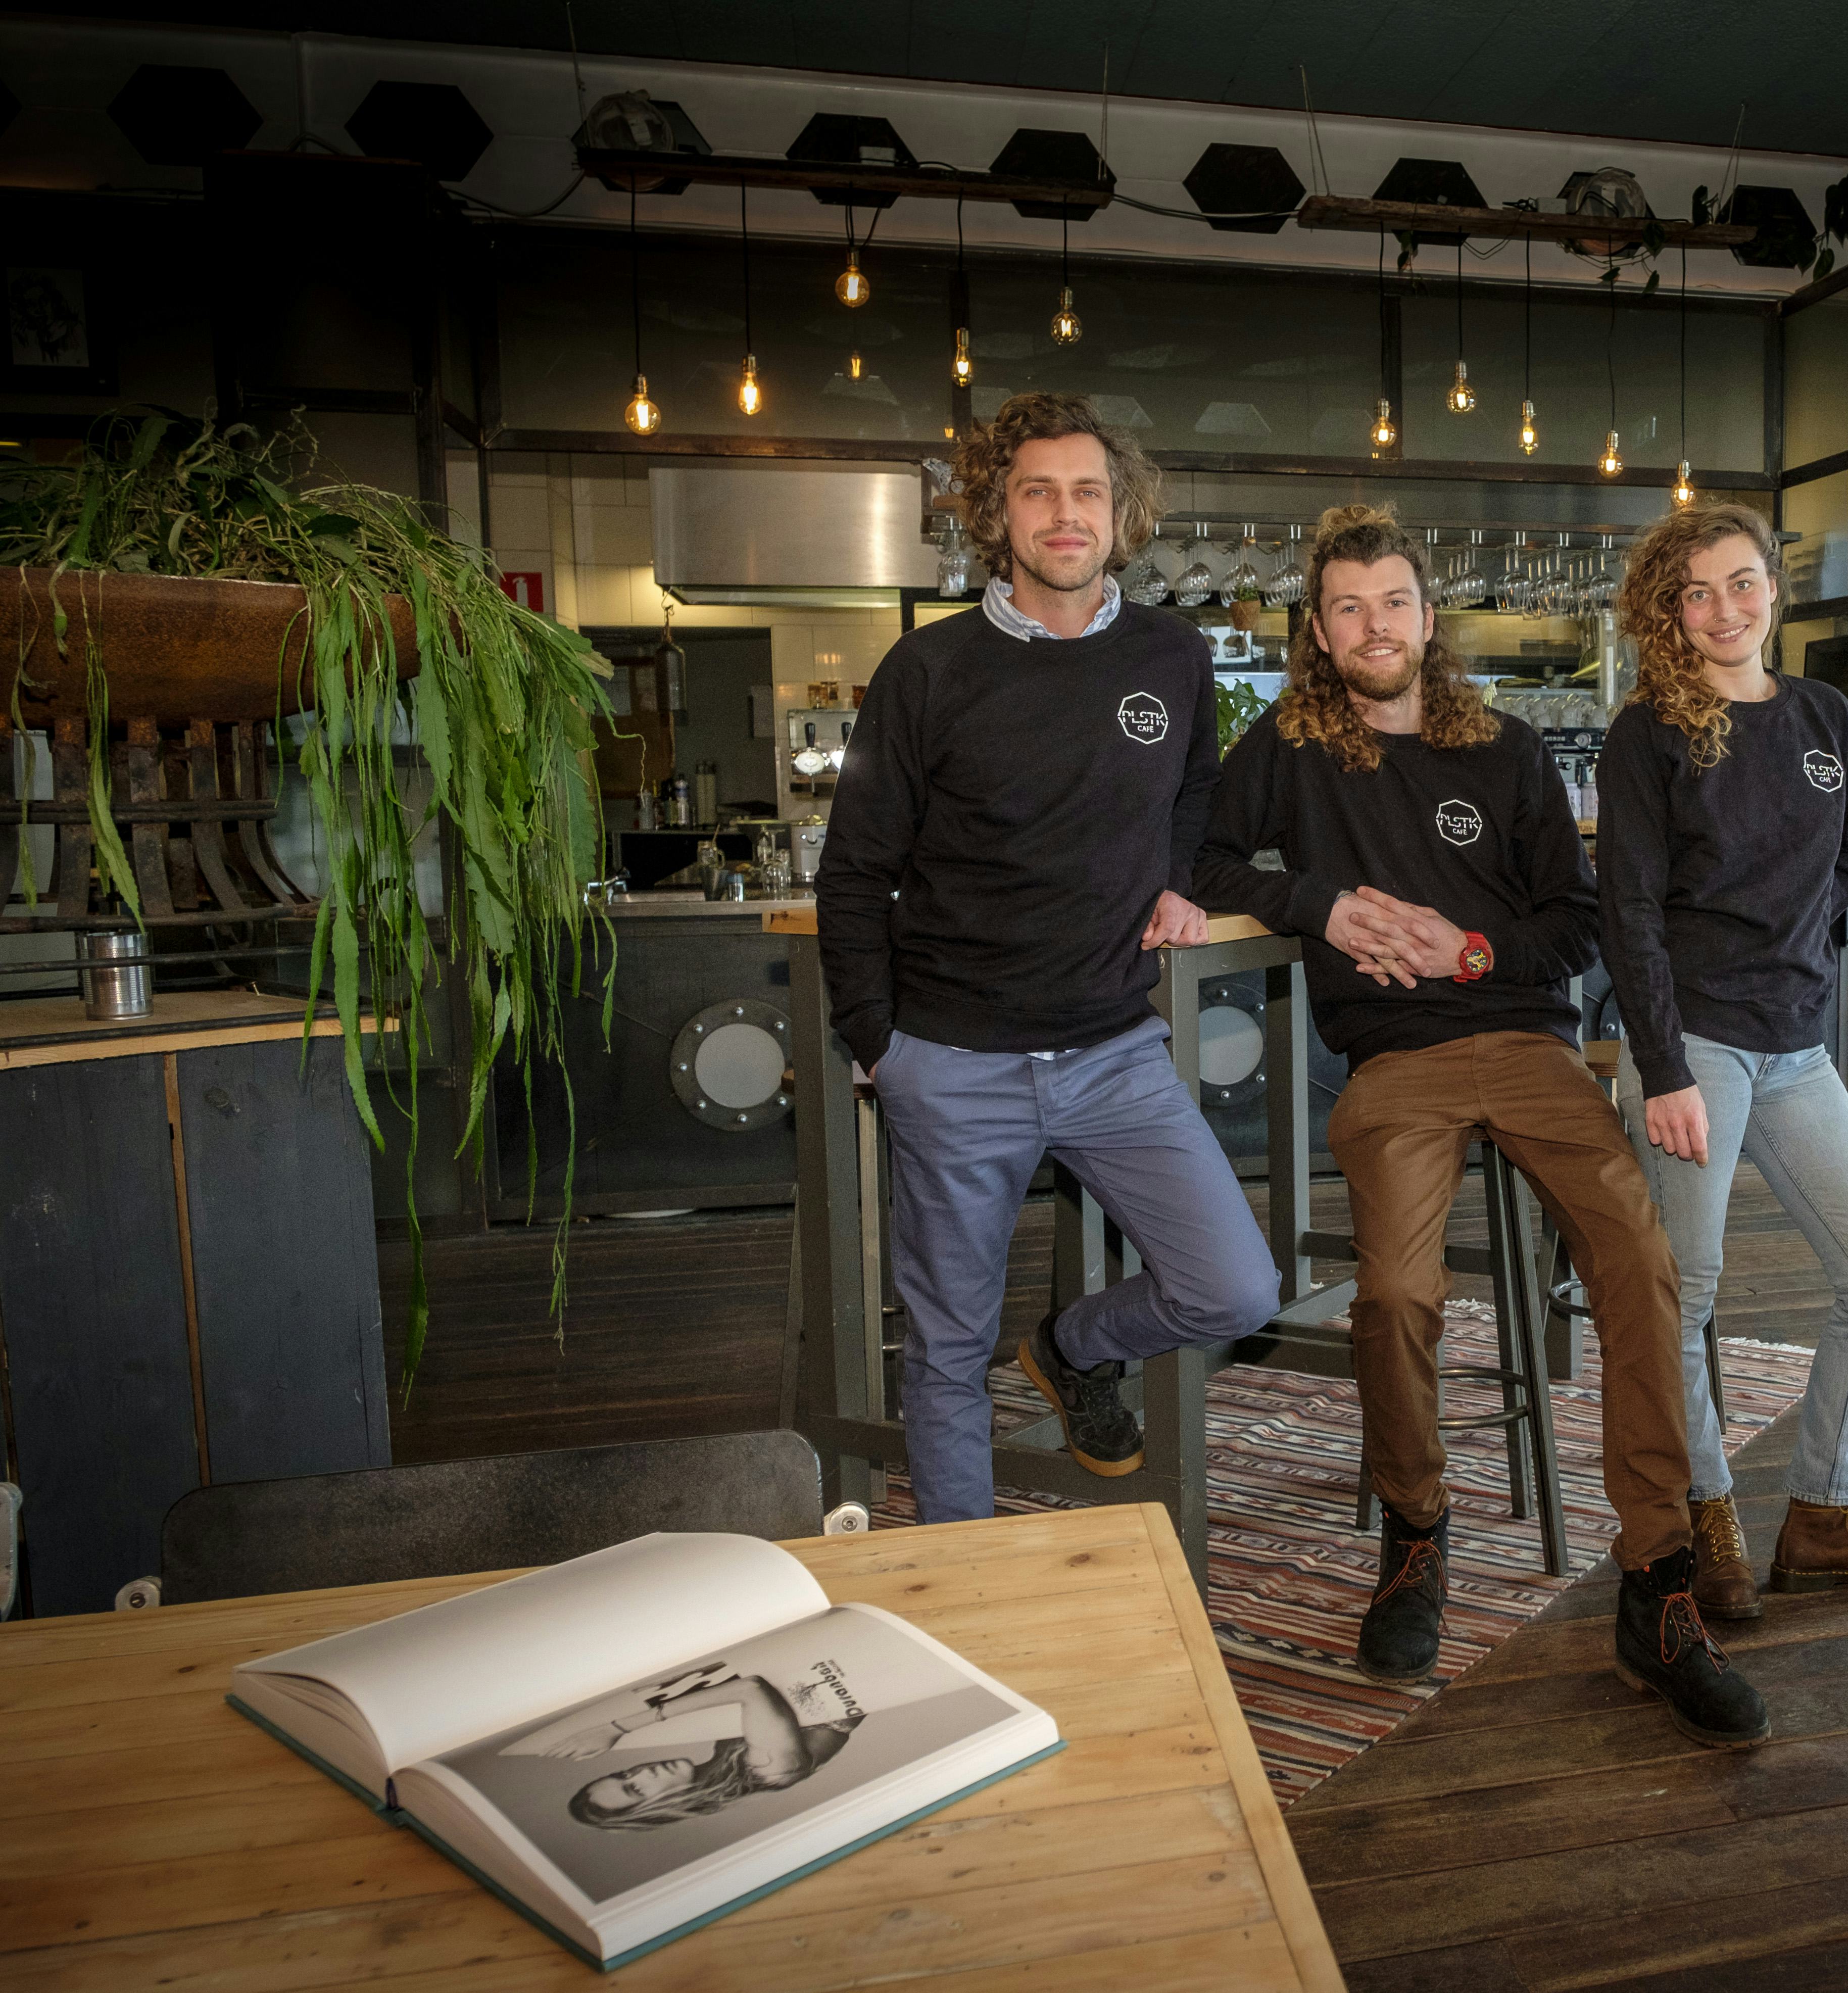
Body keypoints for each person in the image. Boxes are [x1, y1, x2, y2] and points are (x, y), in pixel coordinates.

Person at [1195, 503, 1767, 1749]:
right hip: (1394, 1058)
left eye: (1390, 602)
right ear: (1316, 629)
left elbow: (1574, 924)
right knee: (1394, 1293)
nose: (1371, 626)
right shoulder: (1289, 748)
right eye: (1345, 608)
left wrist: (1473, 946)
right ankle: (1415, 1535)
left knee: (1639, 1260)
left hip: (1526, 1042)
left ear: (1426, 615)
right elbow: (1194, 853)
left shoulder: (1504, 749)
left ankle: (1658, 1586)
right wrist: (1321, 902)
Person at [814, 391, 1278, 1521]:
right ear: (999, 513)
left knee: (1237, 1287)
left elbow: (1195, 791)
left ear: (1120, 513)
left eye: (1088, 491)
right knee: (944, 1350)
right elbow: (853, 867)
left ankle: (1074, 1344)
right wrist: (879, 1043)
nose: (1065, 515)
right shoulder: (927, 669)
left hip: (1115, 1054)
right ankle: (961, 1601)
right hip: (955, 1058)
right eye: (1039, 491)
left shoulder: (1171, 654)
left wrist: (1176, 879)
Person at [1596, 500, 1848, 1621]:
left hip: (1796, 1047)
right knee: (1685, 1294)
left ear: (1773, 592)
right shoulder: (1649, 732)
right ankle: (1705, 1523)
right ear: (1670, 612)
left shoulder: (1822, 715)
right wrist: (1665, 1069)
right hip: (1693, 1042)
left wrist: (1801, 953)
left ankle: (1822, 1517)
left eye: (1742, 583)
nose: (1724, 608)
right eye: (1697, 593)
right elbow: (1630, 912)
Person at [521, 1666, 858, 1831]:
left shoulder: (724, 1756)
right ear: (659, 1809)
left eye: (624, 1773)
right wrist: (617, 1727)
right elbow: (751, 1688)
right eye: (635, 1787)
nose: (641, 1771)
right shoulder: (769, 1770)